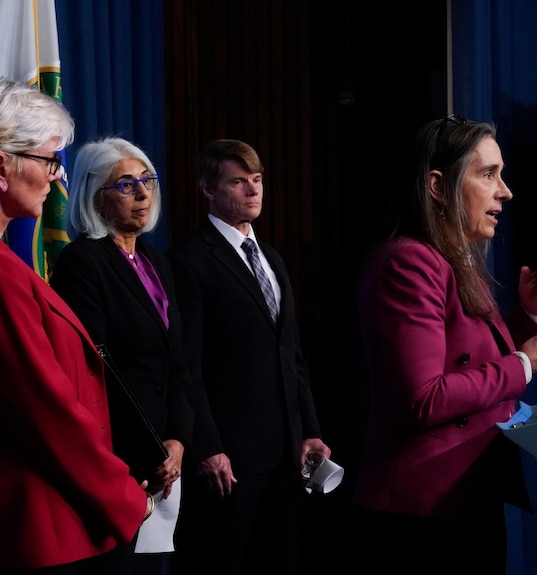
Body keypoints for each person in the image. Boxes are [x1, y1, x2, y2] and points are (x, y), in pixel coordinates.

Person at [352, 114, 537, 575]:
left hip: (466, 498)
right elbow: (424, 397)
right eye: (488, 175)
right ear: (438, 187)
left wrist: (529, 315)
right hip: (420, 517)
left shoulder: (452, 256)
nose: (506, 191)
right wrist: (526, 364)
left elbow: (474, 360)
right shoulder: (409, 262)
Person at [0, 77, 154, 573]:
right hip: (35, 526)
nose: (58, 177)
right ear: (3, 164)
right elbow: (45, 409)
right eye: (50, 160)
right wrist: (125, 498)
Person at [168, 138, 331, 575]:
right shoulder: (188, 261)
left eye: (257, 180)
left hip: (286, 457)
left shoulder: (272, 259)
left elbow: (292, 355)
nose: (253, 191)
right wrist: (207, 446)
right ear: (208, 189)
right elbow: (187, 365)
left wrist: (310, 430)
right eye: (238, 182)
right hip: (229, 462)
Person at [50, 137, 193, 574]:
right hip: (120, 456)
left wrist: (178, 440)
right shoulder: (83, 262)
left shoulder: (157, 261)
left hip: (165, 455)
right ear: (96, 198)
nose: (143, 193)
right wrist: (151, 448)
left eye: (147, 180)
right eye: (126, 185)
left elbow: (178, 362)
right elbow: (96, 367)